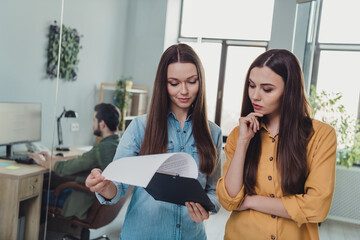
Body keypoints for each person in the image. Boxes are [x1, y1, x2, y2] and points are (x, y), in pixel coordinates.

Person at [85, 43, 223, 239]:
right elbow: (118, 185)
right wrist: (104, 186)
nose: (183, 91)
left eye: (191, 81)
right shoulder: (140, 127)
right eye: (174, 83)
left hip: (192, 235)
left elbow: (214, 190)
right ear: (163, 84)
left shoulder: (213, 133)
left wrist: (207, 207)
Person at [216, 49, 337, 240]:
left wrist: (250, 202)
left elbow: (317, 207)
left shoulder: (321, 136)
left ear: (289, 90)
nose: (254, 96)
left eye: (267, 89)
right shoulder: (239, 134)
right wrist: (243, 143)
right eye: (251, 85)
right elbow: (229, 200)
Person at [30, 103, 121, 220]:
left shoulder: (103, 148)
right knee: (52, 179)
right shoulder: (115, 143)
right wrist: (54, 159)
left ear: (102, 124)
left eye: (94, 120)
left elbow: (66, 168)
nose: (93, 124)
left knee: (38, 194)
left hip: (85, 200)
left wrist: (41, 161)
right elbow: (82, 158)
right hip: (101, 202)